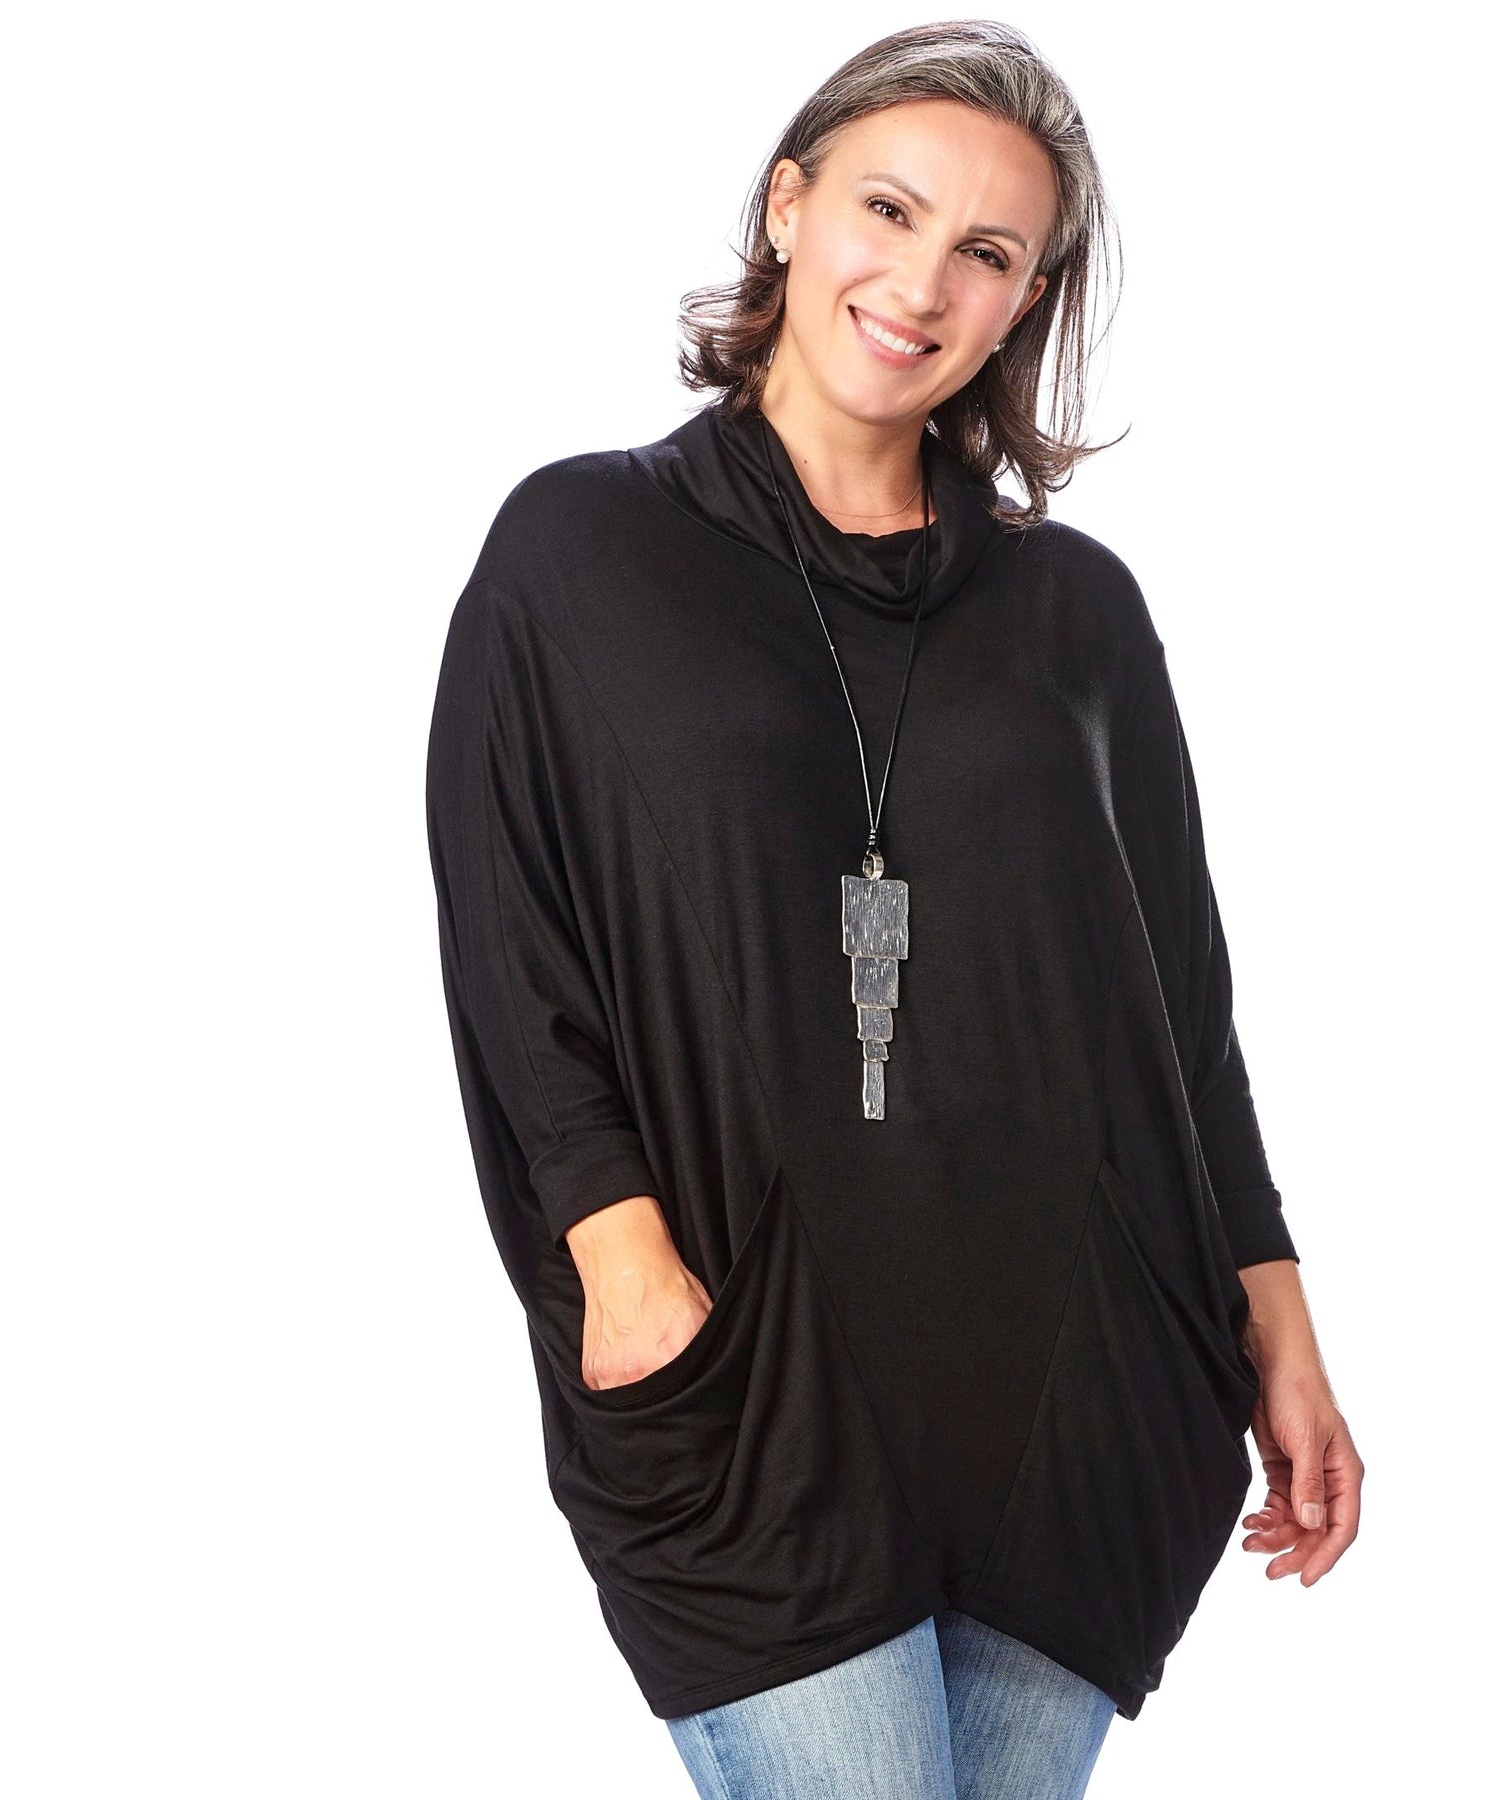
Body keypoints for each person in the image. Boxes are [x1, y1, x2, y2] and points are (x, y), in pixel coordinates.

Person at [425, 21, 1362, 1799]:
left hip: (1072, 1387)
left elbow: (1183, 1013)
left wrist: (1282, 1330)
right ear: (790, 207)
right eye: (888, 210)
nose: (923, 284)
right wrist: (623, 1264)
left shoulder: (1078, 613)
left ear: (1026, 302)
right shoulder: (579, 550)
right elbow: (511, 938)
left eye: (987, 251)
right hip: (749, 1374)